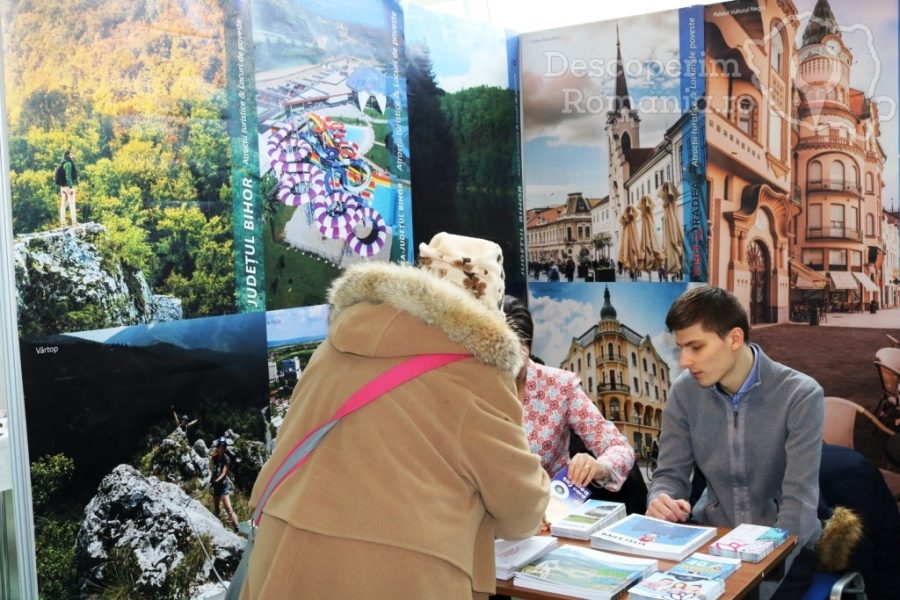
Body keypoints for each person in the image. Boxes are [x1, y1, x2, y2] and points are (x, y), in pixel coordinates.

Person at [242, 233, 549, 599]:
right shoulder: (478, 373)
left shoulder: (334, 345)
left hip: (284, 559)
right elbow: (521, 510)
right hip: (396, 576)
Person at [646, 286, 823, 599]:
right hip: (712, 543)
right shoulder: (684, 393)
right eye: (680, 348)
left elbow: (799, 503)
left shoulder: (800, 395)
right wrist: (660, 499)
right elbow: (669, 476)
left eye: (695, 347)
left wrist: (757, 579)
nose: (685, 360)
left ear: (734, 338)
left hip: (786, 552)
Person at [501, 296, 634, 493]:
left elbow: (618, 447)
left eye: (514, 351)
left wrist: (598, 466)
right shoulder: (469, 386)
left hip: (550, 507)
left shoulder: (559, 386)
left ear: (528, 347)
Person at [211, 437, 240, 531]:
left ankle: (237, 527)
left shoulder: (226, 458)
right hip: (216, 486)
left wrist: (217, 480)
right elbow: (213, 468)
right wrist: (213, 479)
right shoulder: (215, 456)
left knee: (229, 509)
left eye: (223, 447)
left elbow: (224, 473)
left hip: (222, 486)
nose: (221, 448)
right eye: (220, 446)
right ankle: (219, 525)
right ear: (218, 447)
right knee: (216, 508)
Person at [57, 149, 78, 227]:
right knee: (72, 204)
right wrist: (71, 187)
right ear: (68, 155)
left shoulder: (63, 163)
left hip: (62, 187)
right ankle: (74, 222)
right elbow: (68, 176)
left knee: (63, 205)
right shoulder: (68, 164)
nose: (72, 156)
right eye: (71, 155)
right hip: (68, 187)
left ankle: (63, 223)